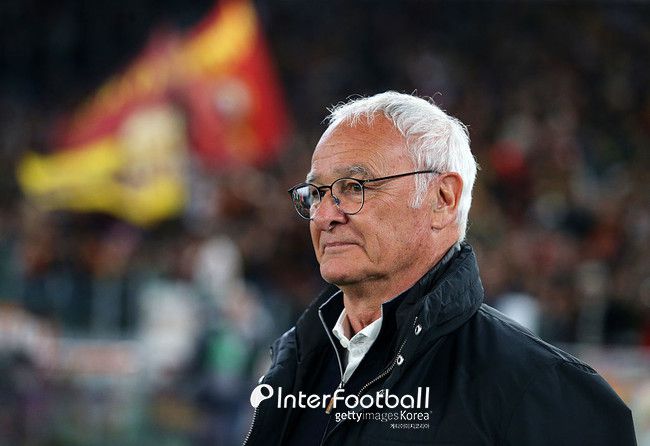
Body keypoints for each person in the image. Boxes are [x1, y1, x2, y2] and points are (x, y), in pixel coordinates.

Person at [243, 92, 636, 445]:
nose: (324, 215)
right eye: (317, 193)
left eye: (354, 187)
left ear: (443, 199)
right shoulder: (294, 361)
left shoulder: (543, 390)